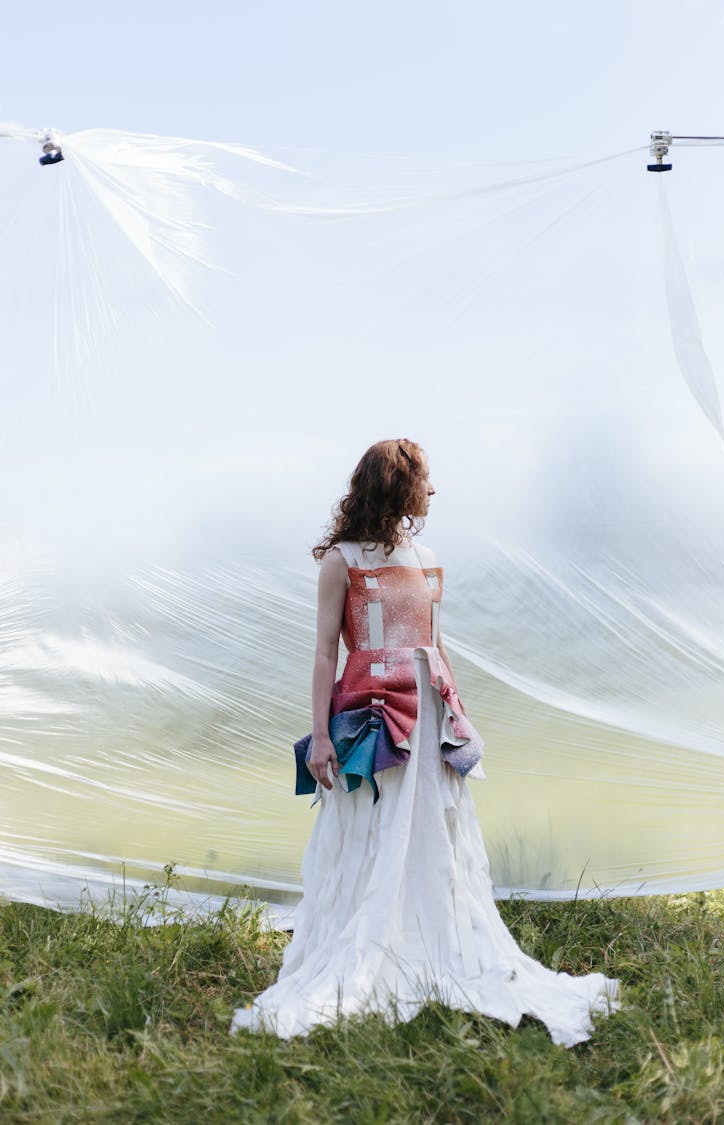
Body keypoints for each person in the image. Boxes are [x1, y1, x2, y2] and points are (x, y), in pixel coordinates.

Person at [231, 439, 619, 1047]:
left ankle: (432, 936)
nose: (433, 492)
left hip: (429, 714)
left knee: (434, 827)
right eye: (425, 481)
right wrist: (320, 739)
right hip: (373, 713)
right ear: (397, 485)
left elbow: (435, 644)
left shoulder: (426, 556)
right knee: (374, 826)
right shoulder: (341, 562)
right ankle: (371, 940)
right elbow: (324, 653)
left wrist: (458, 717)